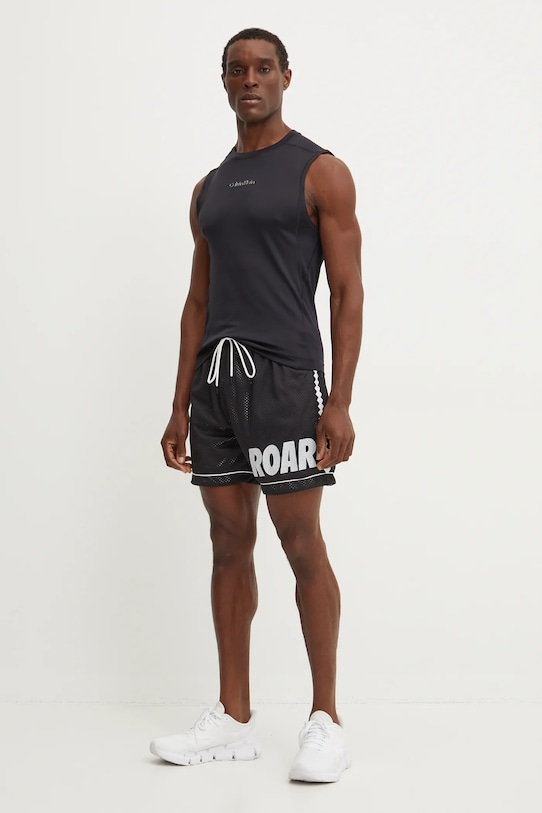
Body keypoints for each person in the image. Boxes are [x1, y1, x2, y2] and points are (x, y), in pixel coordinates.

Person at [150, 27, 363, 783]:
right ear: (224, 82)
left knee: (301, 543)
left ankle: (326, 719)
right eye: (237, 70)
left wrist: (339, 400)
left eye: (263, 68)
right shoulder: (208, 189)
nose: (251, 80)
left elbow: (347, 292)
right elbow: (197, 301)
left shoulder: (320, 171)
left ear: (285, 78)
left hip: (284, 380)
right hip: (216, 385)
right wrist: (179, 404)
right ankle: (234, 714)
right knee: (227, 543)